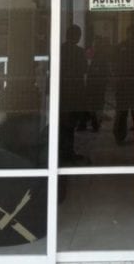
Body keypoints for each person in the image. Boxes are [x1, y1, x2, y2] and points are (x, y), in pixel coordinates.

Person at [113, 24, 134, 143]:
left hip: (130, 83)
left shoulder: (124, 46)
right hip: (131, 83)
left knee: (128, 111)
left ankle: (122, 136)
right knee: (131, 111)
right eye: (133, 33)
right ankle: (133, 136)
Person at [58, 24, 87, 164]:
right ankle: (67, 152)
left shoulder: (59, 50)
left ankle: (62, 151)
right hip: (74, 92)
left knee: (63, 123)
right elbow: (84, 69)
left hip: (61, 91)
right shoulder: (79, 52)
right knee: (70, 124)